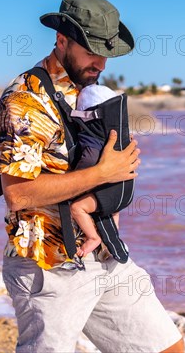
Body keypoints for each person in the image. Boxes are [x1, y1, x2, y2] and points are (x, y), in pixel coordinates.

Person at [0, 0, 185, 352]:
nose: (99, 63)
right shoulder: (25, 99)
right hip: (49, 267)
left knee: (168, 348)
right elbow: (18, 194)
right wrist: (103, 172)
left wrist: (122, 165)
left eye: (105, 52)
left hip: (106, 254)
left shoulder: (91, 91)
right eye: (90, 51)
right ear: (61, 40)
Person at [71, 83, 120, 258]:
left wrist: (73, 176)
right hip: (120, 192)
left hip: (101, 193)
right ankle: (113, 237)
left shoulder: (92, 139)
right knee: (114, 210)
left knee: (77, 208)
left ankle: (93, 238)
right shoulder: (117, 136)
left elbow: (89, 160)